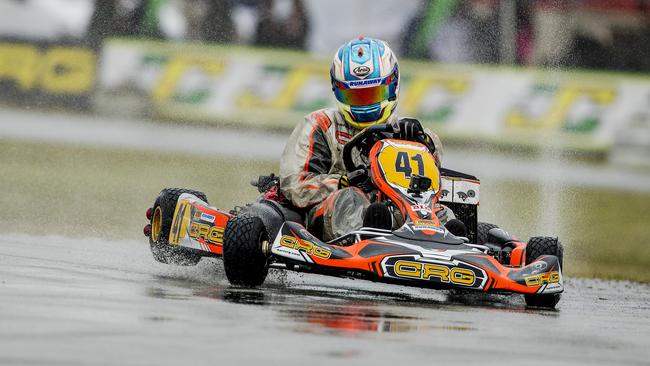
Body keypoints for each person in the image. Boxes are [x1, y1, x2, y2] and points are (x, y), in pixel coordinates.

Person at [279, 37, 448, 241]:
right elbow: (295, 186)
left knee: (445, 214)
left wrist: (421, 145)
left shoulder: (416, 134)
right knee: (352, 200)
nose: (365, 106)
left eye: (373, 94)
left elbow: (435, 191)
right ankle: (366, 240)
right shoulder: (322, 125)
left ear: (392, 84)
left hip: (403, 213)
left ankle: (452, 246)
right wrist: (343, 182)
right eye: (357, 97)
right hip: (333, 221)